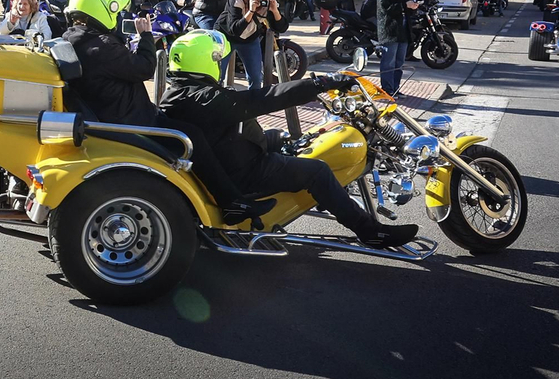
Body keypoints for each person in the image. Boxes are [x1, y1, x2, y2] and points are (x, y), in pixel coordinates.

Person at [160, 30, 418, 248]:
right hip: (245, 171)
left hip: (232, 152)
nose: (220, 65)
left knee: (286, 138)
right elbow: (264, 98)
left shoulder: (181, 92)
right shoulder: (202, 98)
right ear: (205, 61)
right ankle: (370, 231)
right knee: (318, 171)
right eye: (218, 60)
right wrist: (321, 84)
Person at [60, 0, 267, 221]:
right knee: (193, 136)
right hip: (131, 121)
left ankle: (228, 194)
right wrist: (146, 35)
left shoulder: (73, 38)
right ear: (105, 8)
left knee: (189, 127)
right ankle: (231, 202)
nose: (119, 17)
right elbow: (145, 67)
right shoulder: (101, 47)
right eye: (117, 12)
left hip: (116, 113)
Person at [224, 0, 288, 87]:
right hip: (227, 37)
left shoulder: (267, 2)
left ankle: (254, 97)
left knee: (256, 77)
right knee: (218, 74)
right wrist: (251, 11)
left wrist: (275, 11)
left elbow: (281, 28)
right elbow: (235, 29)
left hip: (249, 38)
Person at [375, 0, 417, 95]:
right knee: (389, 62)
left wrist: (414, 7)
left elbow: (408, 9)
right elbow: (385, 10)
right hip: (390, 31)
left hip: (403, 31)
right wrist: (404, 5)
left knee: (399, 62)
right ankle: (387, 90)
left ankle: (395, 89)